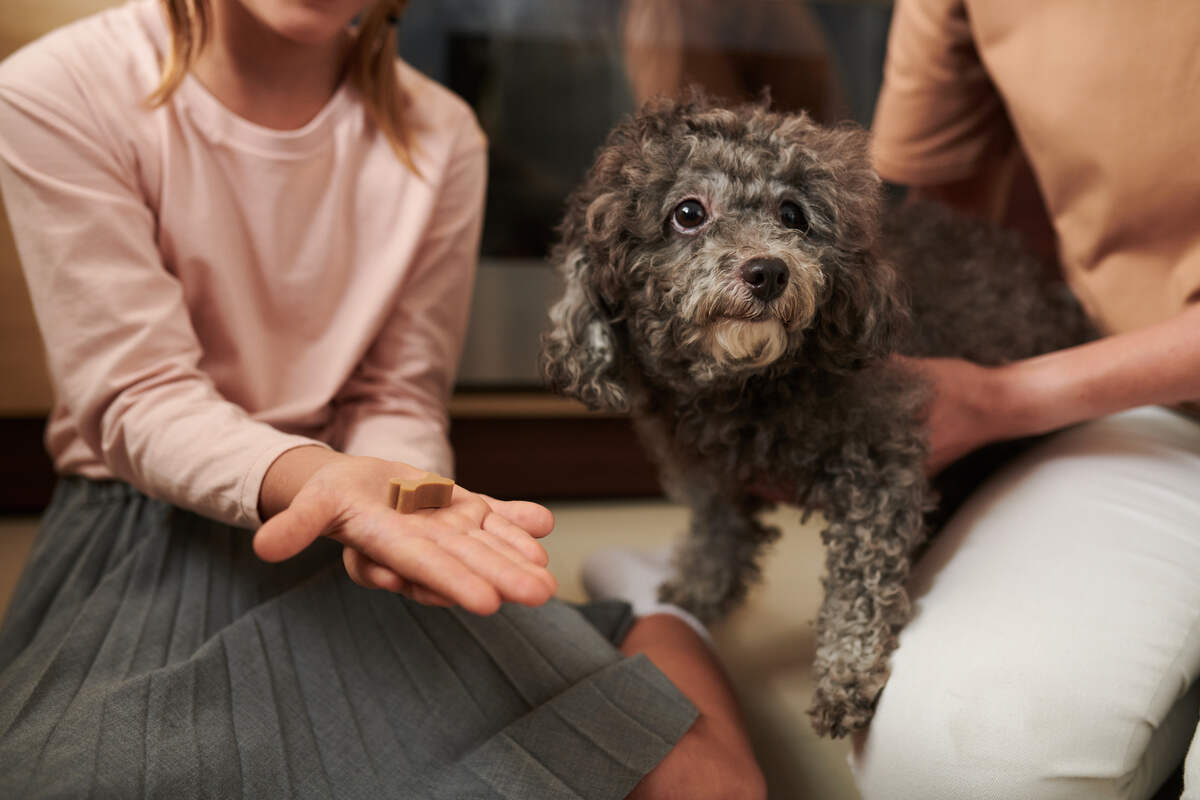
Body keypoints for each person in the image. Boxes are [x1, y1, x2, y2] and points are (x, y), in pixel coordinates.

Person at [0, 1, 764, 798]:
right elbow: (140, 394)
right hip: (148, 531)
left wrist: (397, 502)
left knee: (705, 785)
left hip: (369, 512)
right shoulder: (57, 90)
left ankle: (652, 605)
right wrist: (321, 484)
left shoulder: (443, 136)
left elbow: (395, 391)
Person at [847, 1, 1200, 799]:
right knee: (957, 757)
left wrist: (1004, 399)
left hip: (1071, 392)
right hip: (1146, 406)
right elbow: (955, 229)